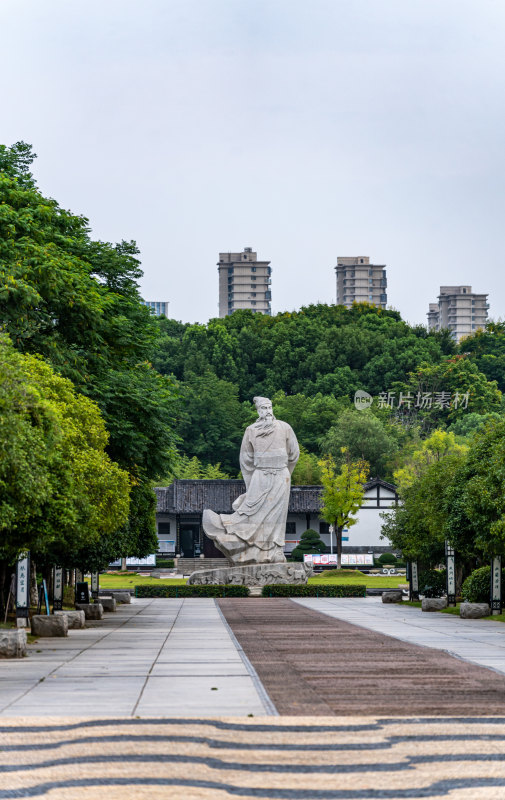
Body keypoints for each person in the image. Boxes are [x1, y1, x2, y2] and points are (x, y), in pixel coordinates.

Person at [203, 396, 299, 564]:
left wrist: (284, 473)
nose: (268, 411)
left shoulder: (284, 427)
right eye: (264, 408)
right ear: (258, 411)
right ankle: (229, 530)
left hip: (281, 476)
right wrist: (252, 480)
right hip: (260, 475)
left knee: (276, 517)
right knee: (251, 509)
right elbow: (246, 459)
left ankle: (273, 552)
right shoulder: (251, 430)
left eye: (270, 408)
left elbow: (294, 454)